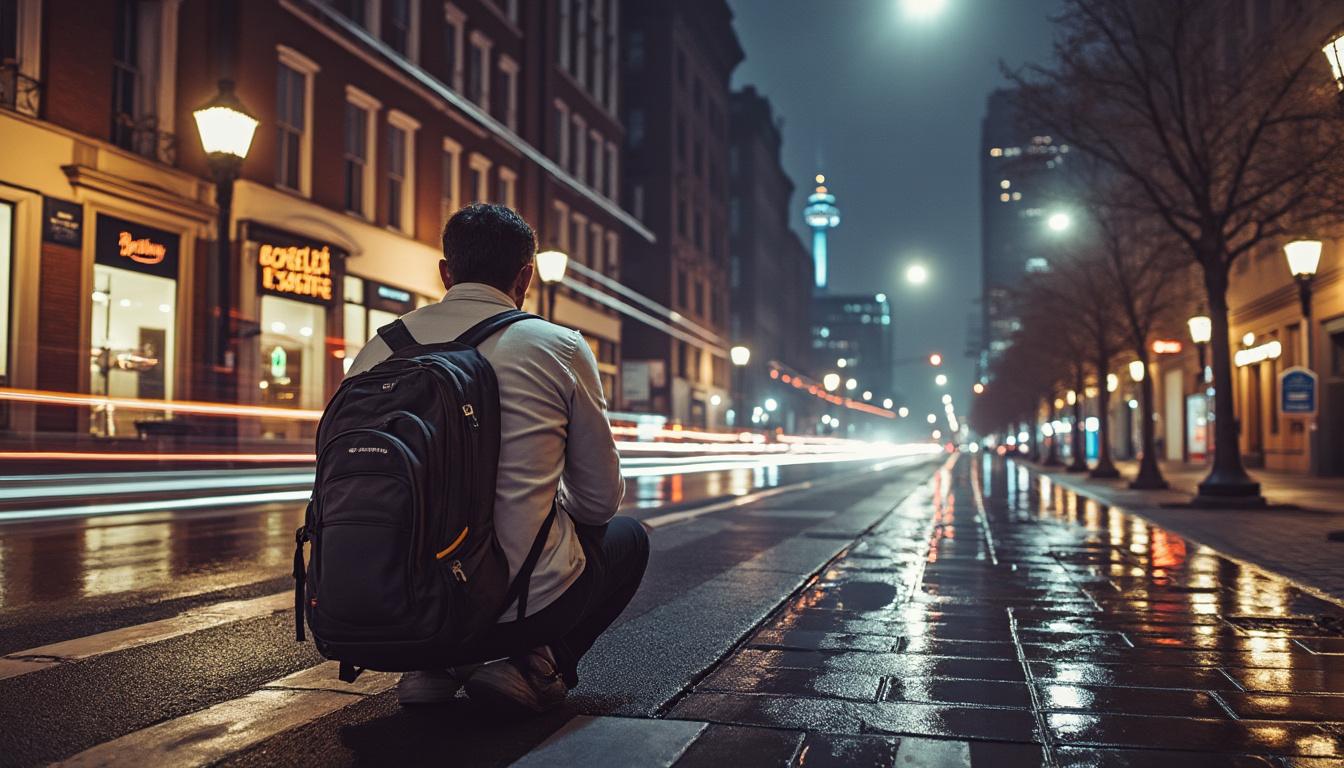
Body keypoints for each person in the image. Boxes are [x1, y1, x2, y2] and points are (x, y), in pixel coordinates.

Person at [345, 203, 648, 714]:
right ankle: (534, 664)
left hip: (386, 601)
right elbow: (598, 502)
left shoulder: (379, 348)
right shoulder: (559, 347)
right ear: (525, 276)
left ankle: (431, 666)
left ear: (445, 271)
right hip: (517, 610)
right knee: (626, 538)